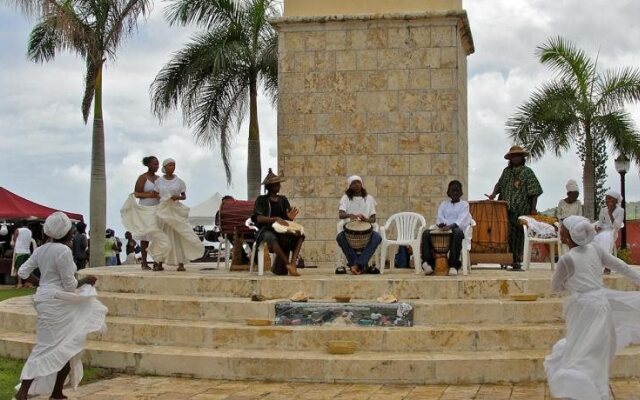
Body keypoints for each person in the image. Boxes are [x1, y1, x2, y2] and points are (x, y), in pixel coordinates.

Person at [544, 215, 640, 400]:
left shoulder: (566, 260)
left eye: (562, 229)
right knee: (595, 352)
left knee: (581, 350)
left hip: (582, 309)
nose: (560, 231)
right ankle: (596, 392)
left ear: (567, 236)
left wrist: (571, 283)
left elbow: (555, 287)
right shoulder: (595, 249)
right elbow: (622, 267)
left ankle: (585, 392)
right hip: (601, 304)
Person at [14, 212, 107, 400]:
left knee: (65, 346)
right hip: (58, 303)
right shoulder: (63, 251)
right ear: (66, 233)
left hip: (45, 300)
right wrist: (86, 280)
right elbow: (70, 285)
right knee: (50, 347)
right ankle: (23, 393)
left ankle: (57, 392)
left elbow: (22, 271)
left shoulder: (41, 249)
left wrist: (42, 284)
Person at [487, 145, 543, 270]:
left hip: (522, 211)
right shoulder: (506, 172)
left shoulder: (527, 172)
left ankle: (517, 260)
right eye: (513, 156)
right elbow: (499, 184)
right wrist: (493, 193)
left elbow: (535, 191)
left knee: (519, 236)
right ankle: (506, 259)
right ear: (510, 158)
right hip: (505, 210)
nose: (516, 158)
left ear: (522, 158)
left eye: (518, 156)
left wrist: (533, 209)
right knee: (505, 234)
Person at [152, 158, 205, 271]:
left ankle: (181, 262)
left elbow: (184, 196)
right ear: (165, 167)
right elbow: (155, 194)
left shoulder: (179, 181)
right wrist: (164, 198)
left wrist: (178, 197)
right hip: (163, 211)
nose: (172, 167)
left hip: (176, 210)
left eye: (174, 165)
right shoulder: (159, 181)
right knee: (163, 235)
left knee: (179, 234)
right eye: (170, 165)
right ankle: (159, 261)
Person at [252, 168, 304, 276]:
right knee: (271, 237)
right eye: (276, 184)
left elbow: (285, 221)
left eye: (279, 184)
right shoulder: (261, 200)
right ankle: (287, 264)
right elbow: (259, 218)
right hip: (265, 230)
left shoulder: (283, 200)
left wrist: (289, 218)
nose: (279, 186)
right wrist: (275, 219)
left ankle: (293, 263)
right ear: (269, 187)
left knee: (300, 235)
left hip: (280, 231)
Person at [421, 180, 472, 276]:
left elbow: (461, 220)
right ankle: (427, 263)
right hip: (444, 231)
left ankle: (453, 265)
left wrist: (450, 226)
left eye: (457, 191)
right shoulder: (444, 204)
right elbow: (440, 218)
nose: (455, 193)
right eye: (453, 191)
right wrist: (441, 224)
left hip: (458, 231)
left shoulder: (464, 205)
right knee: (426, 233)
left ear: (461, 192)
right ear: (448, 192)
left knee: (456, 232)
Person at [335, 175, 381, 275]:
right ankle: (362, 266)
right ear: (350, 186)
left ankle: (356, 265)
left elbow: (373, 218)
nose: (356, 185)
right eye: (353, 183)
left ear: (362, 184)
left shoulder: (369, 198)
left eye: (358, 182)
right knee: (340, 237)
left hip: (367, 231)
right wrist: (350, 215)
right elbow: (341, 214)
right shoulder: (345, 198)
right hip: (349, 231)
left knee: (377, 237)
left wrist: (367, 219)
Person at [134, 155, 160, 270]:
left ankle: (156, 260)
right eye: (154, 164)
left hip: (157, 207)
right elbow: (136, 193)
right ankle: (144, 262)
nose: (157, 166)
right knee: (145, 236)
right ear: (148, 165)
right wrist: (150, 195)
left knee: (156, 235)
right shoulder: (143, 177)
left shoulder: (159, 179)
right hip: (145, 207)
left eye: (158, 164)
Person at [12, 221, 33, 288]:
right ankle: (26, 282)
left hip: (19, 251)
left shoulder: (18, 230)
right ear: (27, 225)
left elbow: (14, 239)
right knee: (27, 267)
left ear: (21, 224)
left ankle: (19, 283)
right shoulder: (30, 231)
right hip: (27, 251)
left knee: (19, 268)